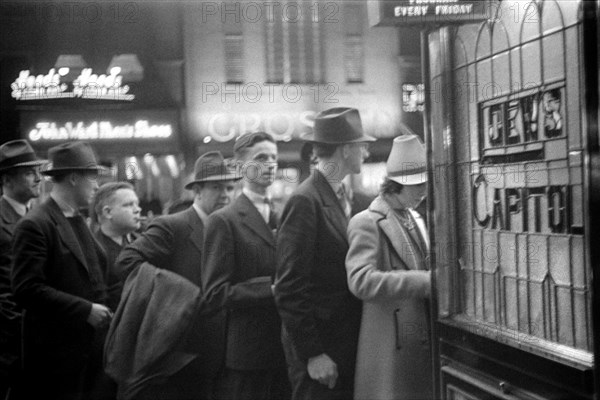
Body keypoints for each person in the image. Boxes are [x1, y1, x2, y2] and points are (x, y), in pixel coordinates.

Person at [115, 151, 240, 400]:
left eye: (229, 188)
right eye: (217, 188)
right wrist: (178, 294)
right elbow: (127, 261)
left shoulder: (233, 228)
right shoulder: (173, 226)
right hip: (183, 350)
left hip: (227, 351)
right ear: (198, 191)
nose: (225, 195)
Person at [274, 107, 374, 400]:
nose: (365, 154)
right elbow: (289, 287)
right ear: (345, 150)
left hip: (339, 344)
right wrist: (313, 353)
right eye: (361, 146)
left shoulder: (336, 195)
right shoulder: (306, 200)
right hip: (320, 352)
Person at [11, 141, 112, 400]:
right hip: (57, 358)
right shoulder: (35, 224)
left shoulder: (78, 219)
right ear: (75, 178)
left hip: (90, 353)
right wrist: (85, 310)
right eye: (93, 178)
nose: (97, 185)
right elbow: (26, 289)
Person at [202, 132, 289, 400]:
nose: (270, 164)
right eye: (261, 158)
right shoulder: (224, 220)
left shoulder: (283, 214)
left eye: (274, 157)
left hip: (286, 349)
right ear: (240, 167)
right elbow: (215, 294)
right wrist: (271, 290)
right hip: (250, 355)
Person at [345, 134, 433, 400]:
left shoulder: (415, 217)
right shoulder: (367, 222)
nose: (423, 192)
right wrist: (425, 281)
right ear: (395, 186)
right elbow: (361, 281)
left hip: (420, 342)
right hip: (388, 346)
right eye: (417, 186)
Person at [0, 140, 46, 399]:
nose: (38, 179)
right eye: (29, 173)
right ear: (7, 179)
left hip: (38, 333)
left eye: (37, 172)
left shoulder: (40, 217)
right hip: (9, 336)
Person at [91, 182, 141, 310]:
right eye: (129, 205)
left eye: (137, 204)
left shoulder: (142, 241)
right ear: (108, 212)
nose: (137, 210)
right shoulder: (92, 249)